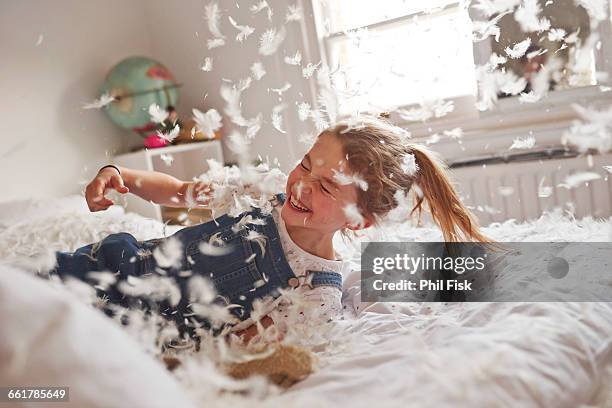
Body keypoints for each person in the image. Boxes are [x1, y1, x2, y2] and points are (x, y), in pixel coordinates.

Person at [51, 117, 492, 343]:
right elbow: (181, 191)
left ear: (359, 220)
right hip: (100, 269)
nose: (300, 183)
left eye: (325, 185)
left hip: (131, 334)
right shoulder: (259, 193)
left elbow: (236, 344)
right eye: (304, 164)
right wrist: (118, 173)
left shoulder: (315, 292)